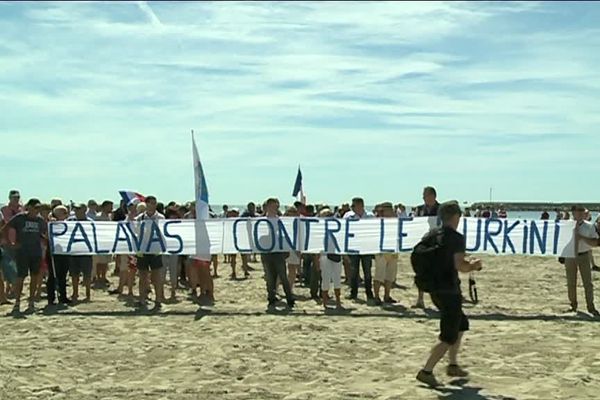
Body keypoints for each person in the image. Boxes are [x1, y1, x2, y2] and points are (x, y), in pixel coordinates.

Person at [416, 201, 483, 387]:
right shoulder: (455, 237)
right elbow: (460, 266)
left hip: (434, 288)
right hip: (448, 290)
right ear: (456, 217)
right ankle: (426, 370)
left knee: (461, 324)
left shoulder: (432, 235)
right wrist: (475, 266)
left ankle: (453, 365)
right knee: (448, 335)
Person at [0, 198, 47, 311]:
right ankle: (17, 302)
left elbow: (41, 234)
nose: (37, 210)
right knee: (20, 277)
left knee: (34, 277)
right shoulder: (20, 218)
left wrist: (45, 240)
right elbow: (5, 228)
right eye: (35, 207)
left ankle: (31, 302)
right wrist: (10, 243)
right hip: (22, 252)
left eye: (38, 208)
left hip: (35, 252)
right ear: (29, 207)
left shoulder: (40, 221)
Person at [563, 205, 598, 315]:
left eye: (582, 213)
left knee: (588, 282)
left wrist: (581, 237)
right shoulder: (567, 225)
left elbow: (595, 242)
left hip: (584, 255)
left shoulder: (590, 226)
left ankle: (591, 307)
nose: (579, 215)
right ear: (573, 213)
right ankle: (573, 305)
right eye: (577, 213)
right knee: (571, 282)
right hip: (570, 256)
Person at [262, 198, 295, 309]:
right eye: (272, 206)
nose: (274, 209)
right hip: (266, 252)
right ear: (267, 207)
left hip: (279, 253)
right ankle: (271, 298)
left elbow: (285, 236)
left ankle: (289, 298)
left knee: (283, 276)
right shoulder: (261, 221)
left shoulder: (281, 221)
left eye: (276, 206)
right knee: (270, 277)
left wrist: (287, 249)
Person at [135, 196, 166, 309]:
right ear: (146, 204)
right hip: (143, 250)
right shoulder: (140, 218)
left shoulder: (161, 218)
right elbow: (136, 233)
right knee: (142, 276)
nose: (153, 205)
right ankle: (142, 299)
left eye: (155, 203)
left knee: (156, 276)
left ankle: (158, 299)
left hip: (155, 250)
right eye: (151, 203)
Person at [414, 186, 440, 308]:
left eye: (425, 195)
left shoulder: (441, 209)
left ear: (433, 196)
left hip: (437, 244)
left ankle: (438, 300)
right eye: (423, 196)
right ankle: (420, 299)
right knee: (421, 271)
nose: (423, 198)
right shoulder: (419, 210)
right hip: (423, 244)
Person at [344, 197, 374, 301]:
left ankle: (369, 293)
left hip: (366, 248)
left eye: (353, 205)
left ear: (360, 205)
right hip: (353, 247)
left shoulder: (370, 217)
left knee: (367, 272)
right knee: (354, 271)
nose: (352, 207)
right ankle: (354, 293)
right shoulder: (348, 216)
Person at [68, 204, 94, 303]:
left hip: (86, 251)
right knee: (74, 274)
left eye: (79, 209)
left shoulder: (90, 222)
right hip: (73, 251)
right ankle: (75, 293)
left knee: (87, 274)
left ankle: (88, 294)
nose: (77, 211)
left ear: (84, 210)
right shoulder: (70, 221)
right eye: (76, 209)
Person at [373, 202, 399, 306]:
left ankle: (387, 295)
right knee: (379, 274)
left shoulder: (396, 222)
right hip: (381, 251)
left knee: (390, 275)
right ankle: (376, 296)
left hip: (392, 250)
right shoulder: (378, 222)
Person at [1, 189, 24, 304]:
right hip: (7, 241)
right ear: (9, 198)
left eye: (17, 197)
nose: (16, 199)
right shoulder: (4, 209)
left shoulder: (22, 209)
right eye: (14, 197)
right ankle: (9, 288)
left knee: (18, 266)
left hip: (20, 241)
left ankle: (14, 288)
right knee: (9, 265)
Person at [317, 208, 343, 308]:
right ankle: (324, 302)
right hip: (324, 256)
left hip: (336, 255)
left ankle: (338, 301)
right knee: (325, 280)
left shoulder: (338, 228)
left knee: (337, 279)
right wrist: (316, 259)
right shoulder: (319, 229)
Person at [46, 205, 71, 306]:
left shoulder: (68, 224)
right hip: (53, 252)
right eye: (64, 213)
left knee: (63, 275)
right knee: (53, 275)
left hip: (64, 252)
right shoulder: (51, 224)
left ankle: (63, 296)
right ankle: (51, 298)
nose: (66, 215)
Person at [94, 200, 113, 287]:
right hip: (100, 241)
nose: (111, 208)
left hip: (107, 241)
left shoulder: (109, 216)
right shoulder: (98, 216)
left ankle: (104, 276)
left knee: (106, 260)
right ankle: (98, 277)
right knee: (99, 260)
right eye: (110, 206)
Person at [284, 206, 301, 292]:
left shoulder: (299, 223)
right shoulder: (281, 222)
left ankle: (289, 289)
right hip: (282, 248)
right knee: (280, 270)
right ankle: (275, 289)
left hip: (294, 248)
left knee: (292, 269)